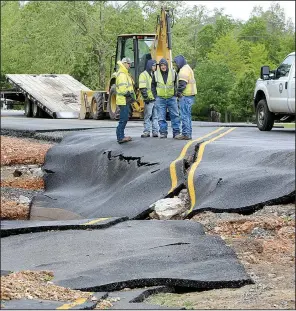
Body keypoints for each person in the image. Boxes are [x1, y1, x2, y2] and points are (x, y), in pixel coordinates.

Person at [152, 58, 181, 139]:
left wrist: (176, 94)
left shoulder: (173, 72)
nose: (163, 67)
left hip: (171, 98)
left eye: (164, 65)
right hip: (160, 99)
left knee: (175, 115)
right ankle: (163, 132)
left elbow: (176, 84)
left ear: (167, 65)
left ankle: (176, 132)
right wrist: (155, 96)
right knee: (161, 117)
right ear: (159, 66)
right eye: (161, 65)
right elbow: (153, 85)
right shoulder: (156, 74)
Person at [173, 55, 197, 140]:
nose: (176, 65)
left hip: (185, 96)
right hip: (190, 95)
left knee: (184, 116)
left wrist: (178, 93)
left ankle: (186, 134)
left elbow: (182, 84)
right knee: (187, 115)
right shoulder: (188, 68)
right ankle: (188, 133)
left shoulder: (183, 70)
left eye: (176, 63)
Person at [115, 57, 135, 144]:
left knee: (125, 118)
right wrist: (129, 95)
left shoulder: (124, 73)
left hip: (125, 100)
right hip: (123, 100)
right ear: (124, 63)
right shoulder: (122, 75)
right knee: (123, 119)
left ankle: (121, 136)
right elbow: (123, 89)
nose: (130, 65)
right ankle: (120, 137)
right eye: (129, 63)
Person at [139, 59, 158, 138]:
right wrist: (146, 98)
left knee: (155, 117)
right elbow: (143, 88)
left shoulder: (154, 74)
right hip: (149, 100)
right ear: (150, 65)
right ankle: (146, 131)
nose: (155, 67)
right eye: (154, 65)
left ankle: (155, 132)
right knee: (148, 116)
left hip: (155, 99)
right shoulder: (143, 75)